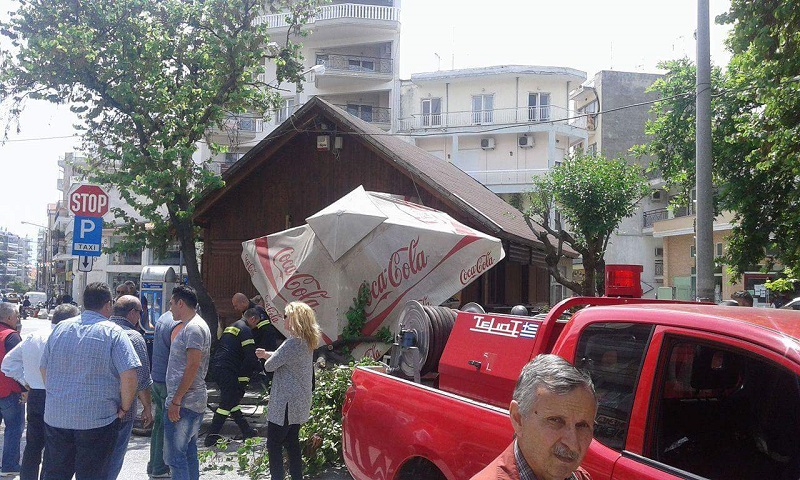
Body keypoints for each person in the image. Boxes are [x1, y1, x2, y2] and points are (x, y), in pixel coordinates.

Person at [40, 282, 140, 480]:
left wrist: (57, 395)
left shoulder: (61, 328)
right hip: (97, 420)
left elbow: (44, 368)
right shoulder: (114, 332)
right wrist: (125, 407)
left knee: (55, 474)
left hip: (57, 417)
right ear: (108, 304)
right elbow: (129, 374)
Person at [471, 354, 597, 480]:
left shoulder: (579, 477)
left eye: (582, 425)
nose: (572, 443)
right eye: (556, 421)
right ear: (518, 418)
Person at [1, 303, 79, 480]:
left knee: (33, 444)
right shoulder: (68, 337)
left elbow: (8, 364)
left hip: (36, 393)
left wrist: (25, 381)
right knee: (55, 445)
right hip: (58, 395)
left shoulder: (34, 337)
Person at [255, 301, 321, 480]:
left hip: (285, 403)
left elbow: (270, 366)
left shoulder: (292, 342)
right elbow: (288, 359)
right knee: (292, 443)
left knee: (274, 444)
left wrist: (267, 358)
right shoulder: (305, 341)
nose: (283, 319)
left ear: (294, 319)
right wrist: (269, 353)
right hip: (298, 402)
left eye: (286, 316)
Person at [163, 285, 211, 480]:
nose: (170, 308)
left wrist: (176, 401)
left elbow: (192, 366)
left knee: (176, 457)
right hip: (189, 401)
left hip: (185, 403)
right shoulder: (194, 326)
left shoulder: (193, 328)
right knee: (188, 452)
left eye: (172, 303)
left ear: (180, 303)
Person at [107, 295, 154, 479]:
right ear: (133, 313)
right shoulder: (134, 337)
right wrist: (147, 408)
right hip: (122, 411)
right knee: (114, 459)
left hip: (92, 409)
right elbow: (141, 380)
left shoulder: (98, 331)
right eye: (140, 313)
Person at [205, 307, 262, 447]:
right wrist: (262, 370)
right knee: (226, 403)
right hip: (227, 369)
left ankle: (246, 430)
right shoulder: (246, 330)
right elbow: (250, 356)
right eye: (256, 323)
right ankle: (211, 437)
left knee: (232, 400)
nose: (256, 326)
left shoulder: (232, 326)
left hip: (218, 367)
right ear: (252, 319)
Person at [147, 311, 183, 479]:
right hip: (169, 382)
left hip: (158, 378)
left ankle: (154, 464)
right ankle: (161, 467)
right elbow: (179, 356)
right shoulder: (177, 323)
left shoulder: (163, 318)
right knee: (167, 426)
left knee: (159, 424)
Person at [0, 303, 24, 476]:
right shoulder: (11, 337)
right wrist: (26, 388)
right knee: (14, 428)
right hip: (9, 390)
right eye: (16, 316)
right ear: (9, 318)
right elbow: (20, 366)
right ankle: (9, 465)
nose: (18, 319)